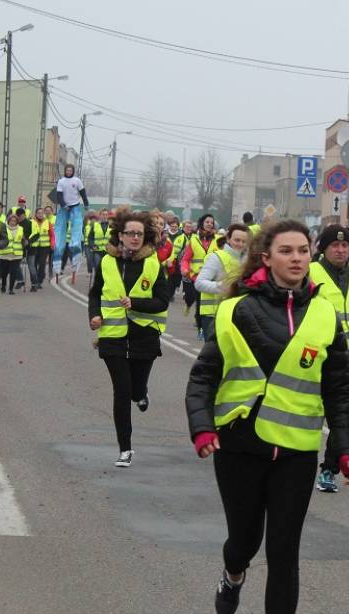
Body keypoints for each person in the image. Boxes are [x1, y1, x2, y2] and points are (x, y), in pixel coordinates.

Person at [185, 219, 349, 614]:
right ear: (266, 257)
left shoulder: (324, 314)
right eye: (286, 251)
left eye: (302, 250)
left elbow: (338, 388)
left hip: (296, 453)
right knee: (244, 542)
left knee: (284, 552)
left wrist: (345, 447)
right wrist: (201, 427)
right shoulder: (234, 311)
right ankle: (233, 574)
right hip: (240, 448)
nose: (297, 258)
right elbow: (204, 376)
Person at [88, 209, 169, 467]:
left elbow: (162, 301)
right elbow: (94, 294)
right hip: (112, 337)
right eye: (130, 233)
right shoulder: (106, 262)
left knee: (135, 390)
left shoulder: (153, 264)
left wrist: (136, 302)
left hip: (144, 337)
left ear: (146, 236)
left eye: (139, 234)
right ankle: (125, 449)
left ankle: (142, 393)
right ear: (120, 235)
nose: (134, 238)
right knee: (121, 392)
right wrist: (95, 315)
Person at [307, 224, 349, 492]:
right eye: (335, 246)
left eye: (345, 246)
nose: (341, 250)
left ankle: (329, 468)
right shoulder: (310, 272)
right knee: (312, 410)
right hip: (316, 350)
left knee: (343, 412)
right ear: (323, 248)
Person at [194, 223, 248, 339]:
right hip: (212, 315)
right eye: (237, 240)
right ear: (228, 239)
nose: (240, 244)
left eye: (244, 241)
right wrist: (223, 287)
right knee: (213, 355)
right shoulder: (217, 257)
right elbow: (199, 283)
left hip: (234, 314)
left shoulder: (245, 261)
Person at [181, 214, 219, 340]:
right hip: (197, 278)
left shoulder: (218, 240)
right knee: (199, 306)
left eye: (211, 222)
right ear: (202, 223)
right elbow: (186, 259)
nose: (209, 224)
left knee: (212, 307)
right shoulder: (194, 240)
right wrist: (185, 269)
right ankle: (201, 330)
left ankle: (213, 329)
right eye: (207, 222)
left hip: (213, 279)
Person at [52, 164, 90, 283]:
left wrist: (86, 204)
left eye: (70, 170)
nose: (68, 172)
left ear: (73, 171)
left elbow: (83, 193)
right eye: (67, 170)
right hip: (64, 208)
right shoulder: (61, 181)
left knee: (77, 226)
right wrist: (63, 205)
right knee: (60, 228)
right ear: (65, 171)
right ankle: (58, 252)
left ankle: (75, 244)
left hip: (75, 206)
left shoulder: (77, 180)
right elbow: (59, 196)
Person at [0, 213, 24, 295]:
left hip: (16, 254)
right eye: (11, 220)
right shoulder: (3, 228)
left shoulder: (20, 229)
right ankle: (3, 286)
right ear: (8, 221)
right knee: (4, 272)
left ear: (17, 222)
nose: (13, 222)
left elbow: (22, 239)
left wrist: (25, 243)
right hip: (5, 254)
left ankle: (11, 289)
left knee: (14, 272)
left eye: (15, 221)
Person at [26, 208, 51, 291]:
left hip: (44, 246)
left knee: (42, 264)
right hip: (34, 246)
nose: (40, 214)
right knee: (34, 265)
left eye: (42, 213)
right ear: (35, 214)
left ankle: (39, 281)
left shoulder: (47, 222)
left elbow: (52, 234)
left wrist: (53, 244)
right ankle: (35, 282)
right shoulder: (31, 222)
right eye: (38, 213)